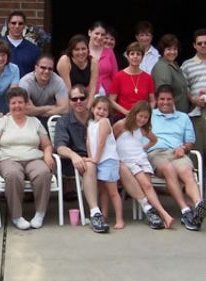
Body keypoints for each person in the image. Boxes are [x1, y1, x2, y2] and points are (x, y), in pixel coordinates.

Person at [53, 84, 165, 234]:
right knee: (91, 165)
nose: (78, 101)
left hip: (103, 158)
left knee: (122, 167)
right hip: (81, 161)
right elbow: (60, 147)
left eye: (82, 98)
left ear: (88, 101)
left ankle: (147, 208)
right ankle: (95, 214)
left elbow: (112, 138)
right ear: (70, 101)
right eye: (74, 98)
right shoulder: (64, 121)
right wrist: (75, 156)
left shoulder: (101, 116)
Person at [0, 88, 54, 230]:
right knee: (13, 175)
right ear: (9, 105)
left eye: (20, 102)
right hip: (8, 158)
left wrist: (47, 154)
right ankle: (16, 216)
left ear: (26, 104)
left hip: (33, 158)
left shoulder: (35, 122)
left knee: (43, 172)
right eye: (13, 103)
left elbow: (46, 144)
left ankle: (40, 214)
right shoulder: (3, 121)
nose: (17, 106)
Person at [147, 86, 206, 231]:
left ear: (173, 100)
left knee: (186, 171)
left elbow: (189, 141)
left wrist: (183, 148)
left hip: (178, 153)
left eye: (168, 99)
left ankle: (198, 204)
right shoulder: (149, 115)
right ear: (156, 100)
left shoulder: (183, 117)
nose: (165, 102)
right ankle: (185, 211)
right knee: (168, 168)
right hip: (157, 153)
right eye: (162, 99)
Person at [113, 102, 174, 229]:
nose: (142, 119)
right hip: (127, 160)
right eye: (140, 116)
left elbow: (154, 140)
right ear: (134, 114)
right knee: (146, 185)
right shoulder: (121, 124)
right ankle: (161, 213)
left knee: (147, 186)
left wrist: (144, 148)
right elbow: (111, 139)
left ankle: (155, 213)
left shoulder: (143, 129)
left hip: (140, 158)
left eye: (146, 117)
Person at [87, 96, 124, 231]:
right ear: (92, 109)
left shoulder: (104, 122)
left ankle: (120, 219)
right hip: (98, 160)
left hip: (108, 160)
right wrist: (91, 158)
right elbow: (89, 143)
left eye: (105, 110)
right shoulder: (91, 124)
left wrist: (95, 159)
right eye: (99, 108)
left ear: (108, 113)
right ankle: (104, 215)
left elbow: (101, 142)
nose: (101, 112)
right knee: (102, 191)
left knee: (113, 192)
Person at [181, 29, 206, 156]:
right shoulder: (186, 65)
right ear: (194, 45)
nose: (203, 45)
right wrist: (192, 99)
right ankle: (197, 175)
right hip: (195, 110)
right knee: (196, 147)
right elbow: (184, 87)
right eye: (200, 43)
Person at [0, 11, 40, 76]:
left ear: (24, 26)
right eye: (13, 23)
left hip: (23, 85)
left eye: (20, 23)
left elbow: (36, 74)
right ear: (8, 25)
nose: (17, 26)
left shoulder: (33, 50)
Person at [108, 42, 155, 118]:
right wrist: (126, 112)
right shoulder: (118, 76)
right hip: (123, 117)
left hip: (142, 118)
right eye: (132, 54)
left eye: (138, 54)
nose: (135, 57)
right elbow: (111, 100)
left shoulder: (148, 78)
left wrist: (146, 112)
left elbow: (152, 101)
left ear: (142, 57)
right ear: (127, 56)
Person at [18, 54, 69, 123]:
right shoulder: (25, 82)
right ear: (36, 68)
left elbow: (65, 109)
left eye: (50, 69)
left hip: (50, 118)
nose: (46, 71)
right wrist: (50, 107)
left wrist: (35, 110)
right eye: (43, 68)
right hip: (29, 119)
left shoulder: (58, 81)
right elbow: (25, 109)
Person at [151, 34, 190, 114]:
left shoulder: (174, 65)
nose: (172, 52)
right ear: (162, 50)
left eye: (175, 49)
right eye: (168, 49)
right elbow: (164, 94)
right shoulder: (162, 67)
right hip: (170, 115)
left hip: (180, 114)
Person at [57, 34, 98, 106]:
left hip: (82, 97)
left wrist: (88, 107)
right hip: (64, 97)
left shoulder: (93, 61)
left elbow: (92, 89)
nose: (81, 52)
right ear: (71, 51)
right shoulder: (65, 60)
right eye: (77, 49)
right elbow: (67, 90)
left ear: (88, 49)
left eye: (83, 49)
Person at [88, 21, 118, 96]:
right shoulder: (83, 51)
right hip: (87, 95)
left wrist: (113, 97)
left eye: (102, 35)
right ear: (89, 32)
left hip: (107, 96)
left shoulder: (109, 52)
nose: (99, 37)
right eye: (97, 33)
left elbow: (115, 76)